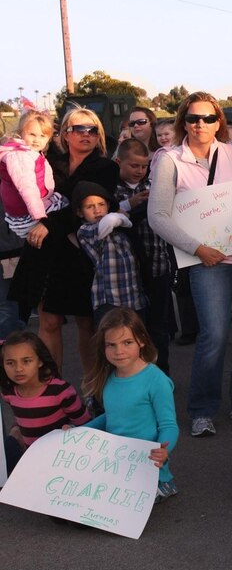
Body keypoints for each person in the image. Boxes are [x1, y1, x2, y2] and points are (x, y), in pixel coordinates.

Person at [148, 92, 232, 437]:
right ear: (183, 122)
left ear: (219, 122)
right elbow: (158, 216)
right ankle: (202, 410)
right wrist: (198, 249)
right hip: (207, 262)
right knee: (213, 335)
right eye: (193, 118)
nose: (200, 124)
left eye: (208, 118)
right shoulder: (170, 160)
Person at [12, 108, 119, 376]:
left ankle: (94, 390)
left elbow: (88, 207)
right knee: (48, 321)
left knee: (88, 324)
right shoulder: (45, 160)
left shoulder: (105, 167)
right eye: (79, 129)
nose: (86, 134)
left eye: (92, 130)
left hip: (82, 252)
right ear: (65, 134)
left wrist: (48, 224)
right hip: (45, 251)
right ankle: (53, 388)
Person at [82, 308, 178, 502]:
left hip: (150, 470)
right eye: (111, 345)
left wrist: (163, 450)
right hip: (117, 465)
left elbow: (169, 425)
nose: (119, 351)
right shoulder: (109, 377)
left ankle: (166, 485)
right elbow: (112, 416)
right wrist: (79, 432)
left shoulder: (156, 380)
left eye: (127, 342)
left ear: (141, 340)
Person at [114, 139, 174, 372]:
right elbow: (107, 215)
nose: (140, 170)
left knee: (158, 326)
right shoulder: (113, 190)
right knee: (129, 327)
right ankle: (133, 375)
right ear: (119, 162)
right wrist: (131, 204)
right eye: (134, 165)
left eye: (144, 166)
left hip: (158, 265)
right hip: (126, 273)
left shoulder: (154, 186)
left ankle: (162, 375)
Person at [1, 329, 90, 471]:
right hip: (32, 459)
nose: (18, 369)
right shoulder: (9, 392)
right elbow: (24, 418)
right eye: (10, 363)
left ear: (40, 361)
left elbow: (86, 423)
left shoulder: (60, 391)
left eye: (26, 361)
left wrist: (73, 431)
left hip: (62, 459)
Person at [73, 181, 147, 324]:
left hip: (134, 297)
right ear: (79, 212)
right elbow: (110, 220)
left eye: (101, 204)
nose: (97, 210)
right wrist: (124, 217)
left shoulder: (119, 230)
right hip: (109, 300)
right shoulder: (85, 231)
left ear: (108, 205)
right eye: (90, 207)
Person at [0, 110, 67, 239]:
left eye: (42, 136)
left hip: (31, 207)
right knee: (67, 208)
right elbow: (26, 186)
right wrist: (39, 215)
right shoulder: (20, 156)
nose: (37, 140)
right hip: (28, 214)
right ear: (21, 133)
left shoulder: (28, 152)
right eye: (32, 134)